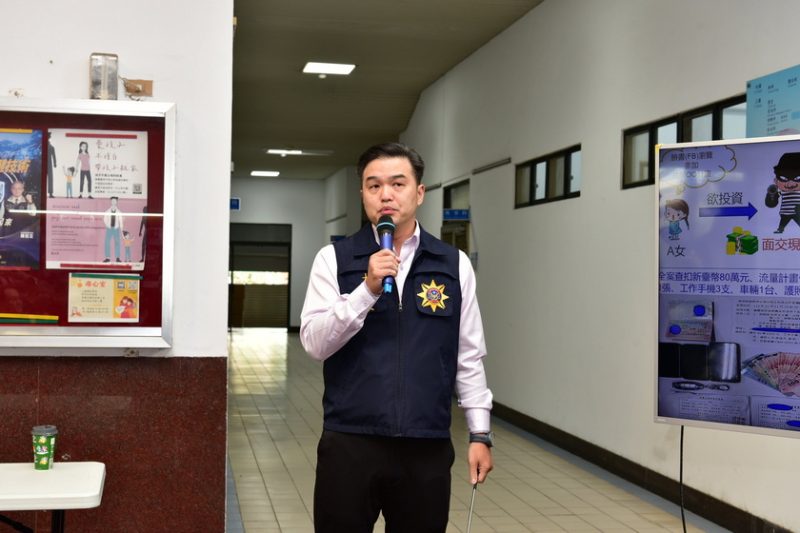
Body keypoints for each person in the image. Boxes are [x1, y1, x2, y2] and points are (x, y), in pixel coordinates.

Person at [300, 142, 493, 533]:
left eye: (397, 184)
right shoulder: (334, 259)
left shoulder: (453, 265)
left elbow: (468, 355)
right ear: (363, 194)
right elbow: (314, 343)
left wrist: (479, 433)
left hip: (426, 445)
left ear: (419, 193)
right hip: (350, 441)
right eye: (374, 186)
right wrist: (366, 290)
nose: (385, 195)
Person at [102, 196, 124, 262]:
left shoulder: (119, 212)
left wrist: (122, 231)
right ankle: (107, 258)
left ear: (116, 202)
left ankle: (117, 258)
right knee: (107, 242)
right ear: (111, 202)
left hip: (116, 229)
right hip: (109, 229)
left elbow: (121, 222)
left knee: (117, 243)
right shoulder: (107, 211)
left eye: (115, 201)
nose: (113, 202)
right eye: (112, 201)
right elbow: (105, 219)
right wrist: (107, 225)